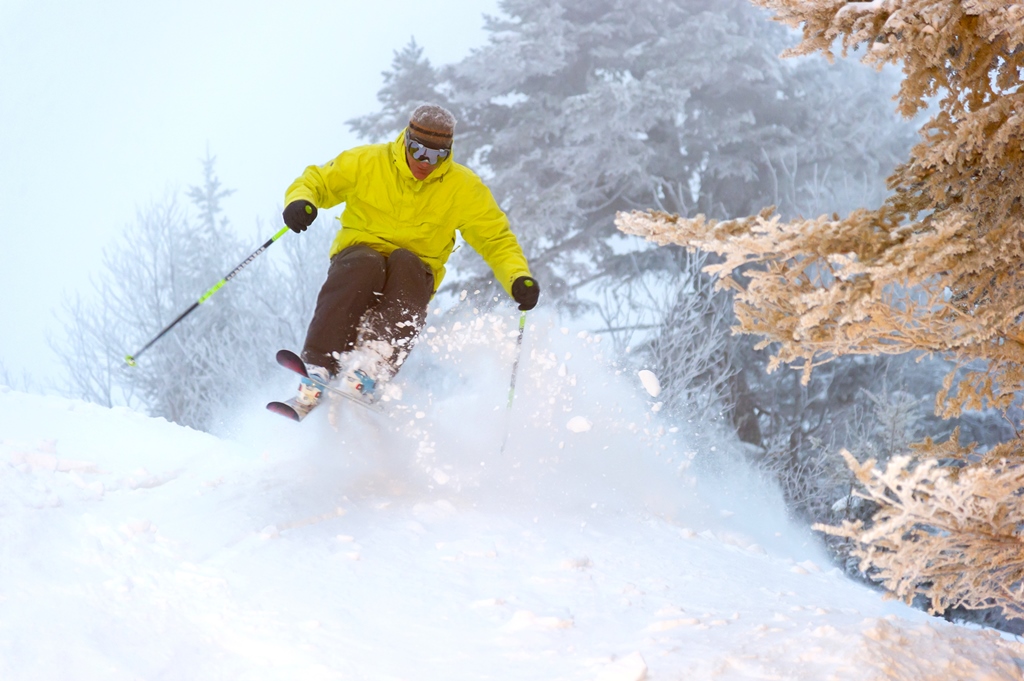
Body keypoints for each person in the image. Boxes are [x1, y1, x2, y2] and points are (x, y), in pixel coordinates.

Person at [280, 104, 539, 415]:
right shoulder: (368, 162)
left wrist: (517, 277)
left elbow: (496, 239)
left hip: (414, 271)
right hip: (360, 255)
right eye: (418, 151)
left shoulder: (463, 188)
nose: (424, 163)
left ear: (448, 152)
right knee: (366, 262)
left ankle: (373, 366)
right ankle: (318, 368)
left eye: (436, 156)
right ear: (406, 140)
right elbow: (318, 180)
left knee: (407, 263)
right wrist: (301, 201)